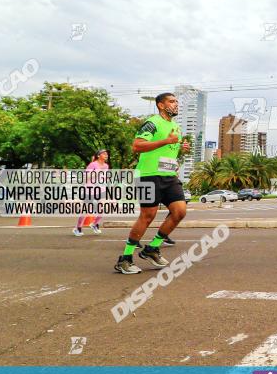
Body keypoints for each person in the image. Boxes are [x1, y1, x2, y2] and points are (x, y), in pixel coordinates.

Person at [115, 92, 190, 274]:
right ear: (161, 105)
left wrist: (180, 148)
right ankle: (125, 259)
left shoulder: (176, 127)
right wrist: (167, 140)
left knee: (180, 211)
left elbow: (167, 149)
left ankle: (152, 249)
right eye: (172, 102)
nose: (176, 105)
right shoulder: (152, 123)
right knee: (148, 216)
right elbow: (137, 146)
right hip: (147, 174)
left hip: (168, 176)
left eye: (177, 102)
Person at [73, 150, 109, 237]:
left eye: (107, 154)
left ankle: (94, 224)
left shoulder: (106, 166)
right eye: (104, 154)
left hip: (101, 189)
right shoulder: (93, 165)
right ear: (98, 155)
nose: (106, 155)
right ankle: (78, 228)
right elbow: (85, 177)